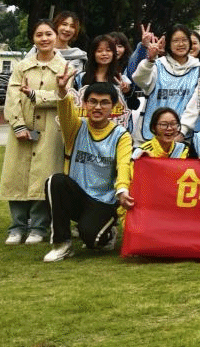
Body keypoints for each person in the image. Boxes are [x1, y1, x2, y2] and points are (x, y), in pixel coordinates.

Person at [42, 76, 134, 262]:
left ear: (113, 107)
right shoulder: (76, 127)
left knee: (93, 241)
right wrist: (62, 92)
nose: (97, 107)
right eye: (92, 101)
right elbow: (65, 111)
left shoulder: (121, 135)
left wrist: (123, 190)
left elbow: (124, 164)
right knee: (55, 181)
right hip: (78, 196)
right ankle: (62, 244)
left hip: (103, 202)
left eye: (104, 103)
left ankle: (108, 232)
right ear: (84, 104)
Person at [0, 20, 67, 245]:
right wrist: (18, 125)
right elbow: (12, 97)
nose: (44, 38)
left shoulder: (64, 67)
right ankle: (17, 227)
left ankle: (39, 227)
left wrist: (35, 95)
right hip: (22, 128)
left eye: (48, 34)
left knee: (43, 177)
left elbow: (64, 97)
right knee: (16, 177)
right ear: (33, 39)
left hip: (50, 130)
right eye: (39, 35)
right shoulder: (22, 67)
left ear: (56, 37)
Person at [132, 24, 200, 143]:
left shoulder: (198, 69)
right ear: (168, 44)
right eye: (175, 41)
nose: (181, 44)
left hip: (181, 138)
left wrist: (182, 130)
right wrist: (149, 60)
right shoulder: (157, 64)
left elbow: (195, 103)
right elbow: (140, 80)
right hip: (151, 136)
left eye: (184, 40)